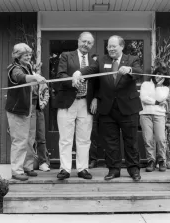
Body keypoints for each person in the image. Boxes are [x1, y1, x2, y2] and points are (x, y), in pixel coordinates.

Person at [73, 35, 143, 181]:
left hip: (128, 108)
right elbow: (91, 69)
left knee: (131, 140)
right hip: (107, 108)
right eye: (109, 46)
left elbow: (139, 72)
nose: (110, 49)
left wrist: (130, 69)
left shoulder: (132, 59)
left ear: (121, 46)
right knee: (110, 141)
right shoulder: (102, 60)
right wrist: (79, 73)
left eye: (113, 46)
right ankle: (114, 169)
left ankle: (134, 169)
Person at [54, 32, 98, 180]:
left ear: (92, 45)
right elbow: (60, 76)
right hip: (67, 102)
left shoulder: (94, 61)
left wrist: (96, 98)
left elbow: (97, 83)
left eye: (89, 42)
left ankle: (82, 169)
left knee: (84, 139)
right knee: (66, 138)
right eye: (83, 41)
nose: (86, 44)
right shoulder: (66, 56)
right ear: (78, 41)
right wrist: (71, 80)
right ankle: (65, 169)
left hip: (86, 102)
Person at [5, 43, 46, 181]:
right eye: (25, 55)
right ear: (18, 56)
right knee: (19, 140)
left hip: (31, 108)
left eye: (29, 54)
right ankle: (17, 171)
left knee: (30, 139)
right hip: (18, 110)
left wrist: (35, 75)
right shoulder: (14, 69)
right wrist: (36, 78)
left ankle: (28, 167)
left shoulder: (28, 66)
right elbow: (21, 77)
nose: (28, 57)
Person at [139, 73, 170, 172]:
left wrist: (158, 86)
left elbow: (161, 97)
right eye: (157, 74)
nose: (159, 76)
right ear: (154, 74)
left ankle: (161, 160)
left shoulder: (165, 88)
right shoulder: (145, 84)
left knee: (161, 138)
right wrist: (156, 102)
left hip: (159, 115)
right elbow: (143, 98)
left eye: (162, 75)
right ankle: (151, 161)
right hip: (145, 114)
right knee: (148, 139)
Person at [34, 80, 51, 172]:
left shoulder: (41, 80)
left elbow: (46, 93)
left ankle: (42, 162)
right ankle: (26, 164)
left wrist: (43, 104)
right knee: (26, 138)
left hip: (38, 111)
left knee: (41, 137)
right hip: (26, 111)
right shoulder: (24, 75)